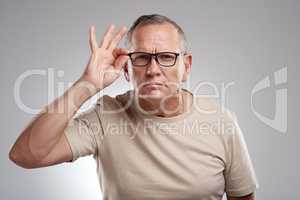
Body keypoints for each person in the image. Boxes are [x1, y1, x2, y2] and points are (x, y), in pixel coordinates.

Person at [9, 14, 259, 200]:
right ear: (127, 68)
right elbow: (26, 155)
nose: (152, 70)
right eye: (141, 58)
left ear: (187, 66)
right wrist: (87, 84)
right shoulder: (105, 117)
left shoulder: (221, 122)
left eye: (166, 57)